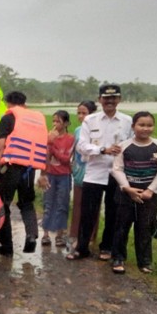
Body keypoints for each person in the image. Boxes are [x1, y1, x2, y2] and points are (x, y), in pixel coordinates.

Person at [67, 84, 133, 261]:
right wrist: (102, 149)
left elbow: (132, 145)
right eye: (106, 98)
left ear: (119, 99)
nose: (110, 102)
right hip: (94, 173)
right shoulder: (90, 120)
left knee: (113, 213)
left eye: (113, 98)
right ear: (100, 100)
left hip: (116, 174)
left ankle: (107, 248)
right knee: (88, 212)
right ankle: (82, 248)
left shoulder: (127, 121)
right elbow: (81, 146)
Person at [0, 91, 48, 256]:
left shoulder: (8, 118)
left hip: (10, 169)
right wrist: (43, 172)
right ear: (24, 103)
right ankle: (31, 237)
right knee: (27, 202)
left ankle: (7, 247)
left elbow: (0, 146)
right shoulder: (37, 120)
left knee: (3, 205)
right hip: (29, 170)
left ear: (8, 103)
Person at [110, 112, 157, 274]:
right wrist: (127, 188)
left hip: (149, 196)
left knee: (145, 228)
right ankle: (118, 258)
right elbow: (117, 169)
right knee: (121, 227)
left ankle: (144, 261)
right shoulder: (124, 146)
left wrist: (150, 190)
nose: (145, 128)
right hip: (125, 194)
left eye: (149, 125)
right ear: (133, 126)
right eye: (141, 125)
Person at [37, 110, 74, 247]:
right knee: (48, 204)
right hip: (50, 175)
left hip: (64, 175)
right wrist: (42, 175)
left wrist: (52, 146)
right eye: (53, 121)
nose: (55, 124)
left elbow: (66, 159)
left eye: (58, 121)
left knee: (62, 205)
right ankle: (45, 234)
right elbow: (43, 158)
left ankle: (60, 234)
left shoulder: (70, 139)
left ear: (66, 123)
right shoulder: (48, 138)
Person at [68, 100, 98, 249]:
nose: (81, 116)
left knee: (93, 206)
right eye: (79, 113)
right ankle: (74, 235)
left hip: (93, 172)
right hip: (79, 171)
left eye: (84, 113)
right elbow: (74, 150)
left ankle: (91, 237)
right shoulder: (78, 130)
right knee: (78, 204)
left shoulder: (98, 130)